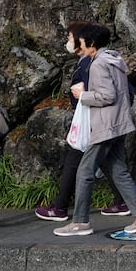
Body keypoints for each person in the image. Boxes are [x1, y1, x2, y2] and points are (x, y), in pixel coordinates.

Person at [54, 23, 136, 237]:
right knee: (118, 171)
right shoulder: (113, 59)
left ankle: (80, 222)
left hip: (104, 125)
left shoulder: (98, 64)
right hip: (117, 123)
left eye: (80, 41)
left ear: (90, 42)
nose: (78, 44)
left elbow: (106, 96)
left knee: (84, 171)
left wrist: (82, 95)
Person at [35, 23, 103, 222]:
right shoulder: (94, 61)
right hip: (97, 120)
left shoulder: (88, 63)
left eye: (72, 39)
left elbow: (92, 94)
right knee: (110, 162)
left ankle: (61, 207)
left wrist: (80, 95)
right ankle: (125, 202)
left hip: (90, 118)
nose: (69, 43)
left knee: (74, 162)